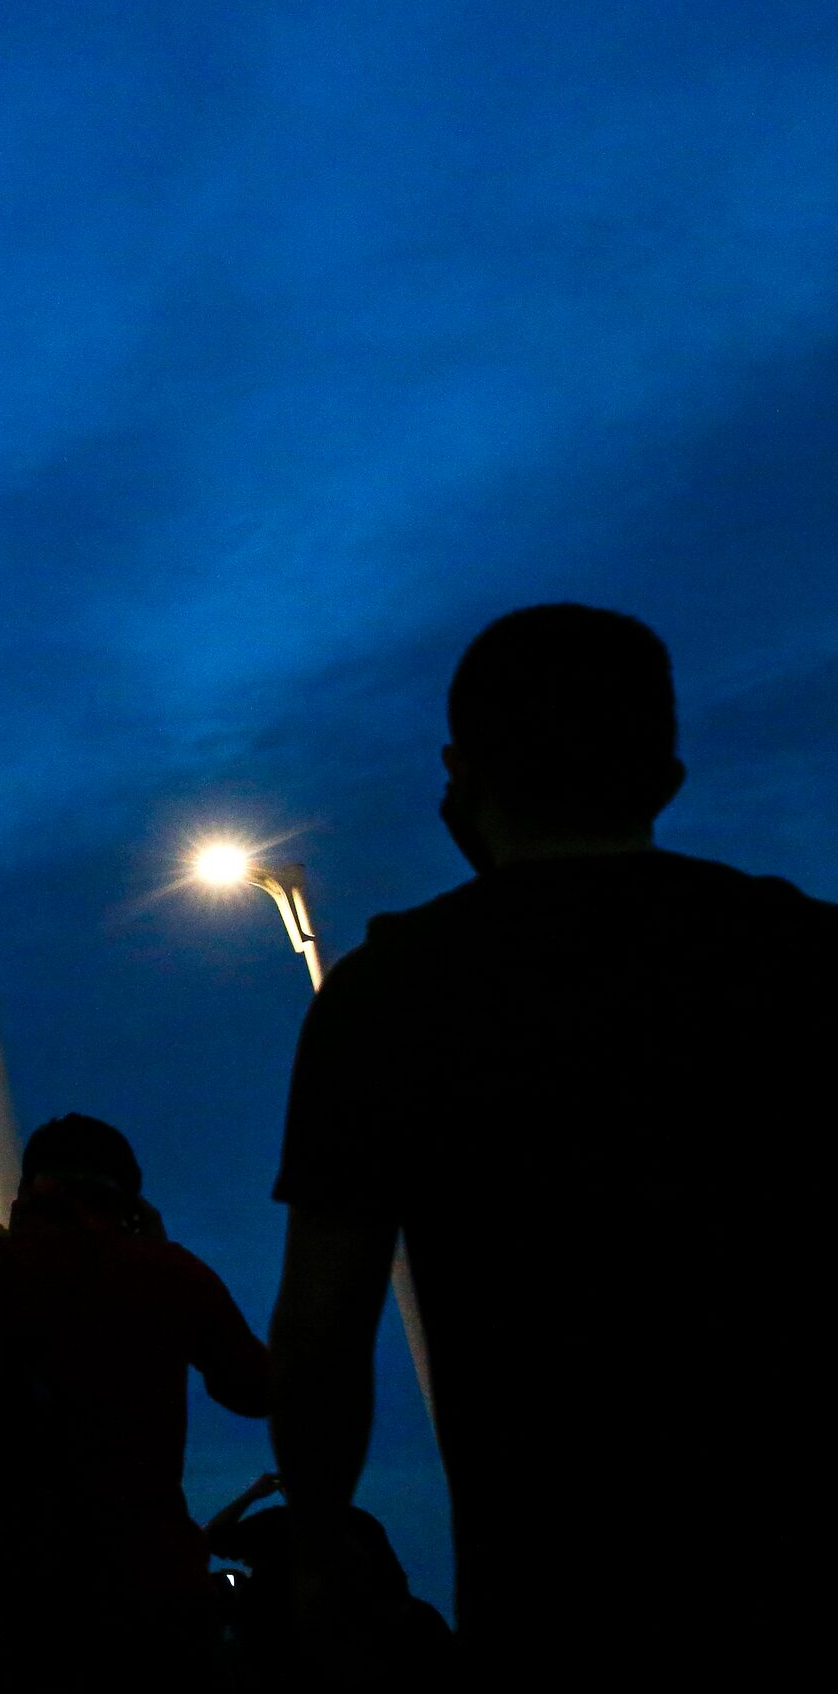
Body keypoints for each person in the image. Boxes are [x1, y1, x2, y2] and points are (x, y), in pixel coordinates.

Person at [269, 603, 836, 1687]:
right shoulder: (805, 958)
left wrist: (320, 1547)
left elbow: (322, 1325)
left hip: (554, 1590)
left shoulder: (389, 996)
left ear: (461, 774)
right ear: (666, 775)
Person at [0, 1114, 270, 1693]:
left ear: (25, 1193)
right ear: (129, 1202)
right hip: (138, 1602)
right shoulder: (168, 1276)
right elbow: (254, 1389)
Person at [200, 1474, 448, 1689]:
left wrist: (252, 1494)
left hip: (277, 1643)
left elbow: (211, 1538)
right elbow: (395, 1585)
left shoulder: (276, 1522)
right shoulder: (359, 1522)